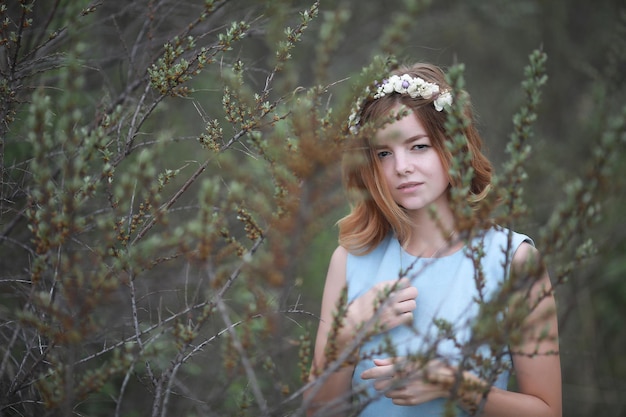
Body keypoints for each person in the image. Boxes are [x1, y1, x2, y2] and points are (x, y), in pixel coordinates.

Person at [304, 63, 561, 417]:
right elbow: (318, 411)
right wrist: (347, 330)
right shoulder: (350, 262)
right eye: (383, 153)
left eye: (418, 146)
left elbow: (548, 411)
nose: (401, 166)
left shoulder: (514, 262)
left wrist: (454, 385)